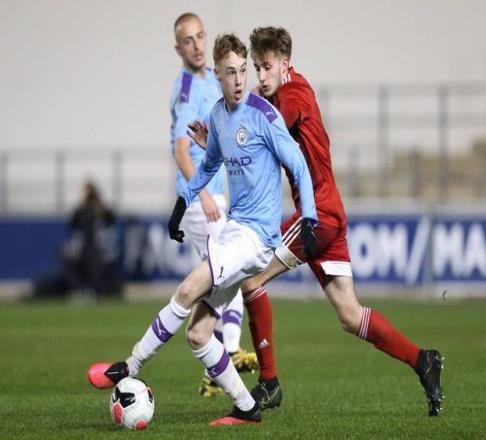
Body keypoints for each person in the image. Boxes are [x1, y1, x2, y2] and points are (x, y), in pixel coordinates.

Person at [88, 33, 318, 426]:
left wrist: (308, 217)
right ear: (218, 75)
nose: (240, 80)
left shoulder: (264, 115)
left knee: (186, 289)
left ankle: (129, 365)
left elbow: (297, 164)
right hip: (234, 232)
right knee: (198, 333)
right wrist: (181, 204)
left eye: (243, 71)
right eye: (231, 72)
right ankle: (246, 407)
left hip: (255, 238)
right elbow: (209, 165)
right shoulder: (217, 116)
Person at [238, 27, 443, 417]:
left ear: (285, 64)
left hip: (316, 215)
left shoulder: (293, 94)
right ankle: (423, 360)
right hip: (330, 212)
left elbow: (266, 129)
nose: (261, 76)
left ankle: (269, 382)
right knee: (350, 315)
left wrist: (230, 124)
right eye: (256, 68)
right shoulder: (283, 92)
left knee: (250, 281)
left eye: (267, 67)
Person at [169, 12, 257, 397]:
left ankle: (218, 363)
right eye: (188, 40)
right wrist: (203, 194)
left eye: (200, 36)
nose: (197, 45)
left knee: (225, 277)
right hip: (200, 200)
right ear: (178, 48)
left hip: (216, 196)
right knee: (225, 274)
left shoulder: (211, 77)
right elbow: (180, 149)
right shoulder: (187, 89)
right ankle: (227, 354)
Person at [32, 181, 121, 300]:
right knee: (66, 261)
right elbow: (72, 224)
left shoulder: (102, 211)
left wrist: (99, 208)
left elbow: (111, 220)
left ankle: (90, 291)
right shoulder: (81, 211)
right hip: (83, 253)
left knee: (96, 271)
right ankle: (80, 290)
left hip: (99, 255)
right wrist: (82, 205)